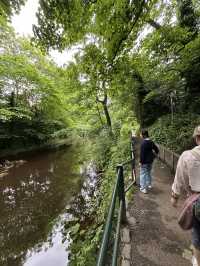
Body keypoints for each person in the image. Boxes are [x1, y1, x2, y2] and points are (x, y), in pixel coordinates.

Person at [171, 126, 200, 266]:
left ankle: (197, 261)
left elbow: (179, 179)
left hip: (197, 201)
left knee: (197, 233)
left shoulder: (187, 156)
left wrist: (175, 196)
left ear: (196, 138)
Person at [139, 129, 159, 193]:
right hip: (150, 161)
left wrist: (140, 162)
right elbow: (157, 150)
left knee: (142, 174)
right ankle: (149, 184)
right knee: (148, 172)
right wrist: (154, 155)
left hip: (144, 162)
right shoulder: (151, 142)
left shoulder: (143, 143)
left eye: (141, 134)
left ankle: (143, 188)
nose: (140, 135)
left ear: (144, 135)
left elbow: (142, 154)